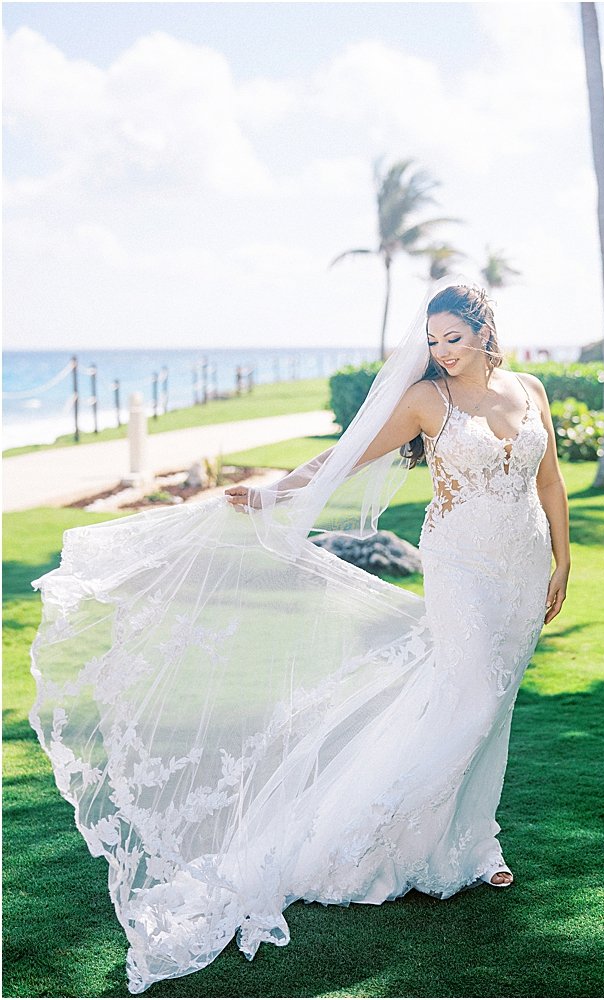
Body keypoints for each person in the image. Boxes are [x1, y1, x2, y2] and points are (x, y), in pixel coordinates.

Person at [29, 277, 570, 993]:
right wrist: (275, 490)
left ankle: (471, 846)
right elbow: (347, 455)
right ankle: (372, 845)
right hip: (462, 567)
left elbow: (552, 482)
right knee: (469, 697)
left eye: (454, 339)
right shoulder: (423, 399)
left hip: (524, 567)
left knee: (491, 708)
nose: (441, 352)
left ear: (485, 333)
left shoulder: (528, 389)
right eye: (433, 341)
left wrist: (564, 560)